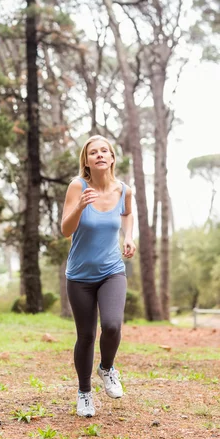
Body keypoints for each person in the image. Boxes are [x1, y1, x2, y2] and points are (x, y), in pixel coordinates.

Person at [61, 135, 136, 418]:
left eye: (105, 151)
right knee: (86, 335)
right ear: (87, 161)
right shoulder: (77, 187)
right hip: (79, 275)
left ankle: (107, 368)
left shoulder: (123, 190)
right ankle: (84, 392)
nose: (100, 155)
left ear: (112, 158)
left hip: (111, 271)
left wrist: (128, 236)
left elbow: (127, 213)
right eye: (94, 152)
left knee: (113, 326)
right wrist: (80, 206)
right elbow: (65, 230)